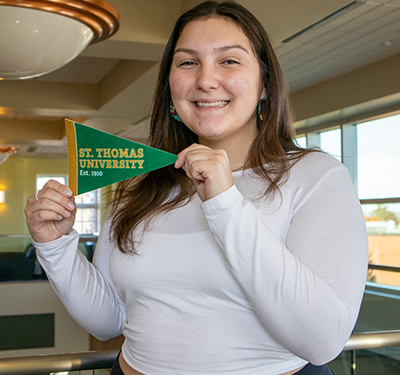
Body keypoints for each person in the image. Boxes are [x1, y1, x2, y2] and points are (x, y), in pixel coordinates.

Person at [25, 1, 368, 374]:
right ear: (170, 86)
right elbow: (109, 319)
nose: (205, 79)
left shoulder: (316, 176)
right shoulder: (139, 184)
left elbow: (323, 341)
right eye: (187, 62)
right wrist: (54, 247)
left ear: (265, 84)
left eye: (229, 61)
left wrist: (225, 204)